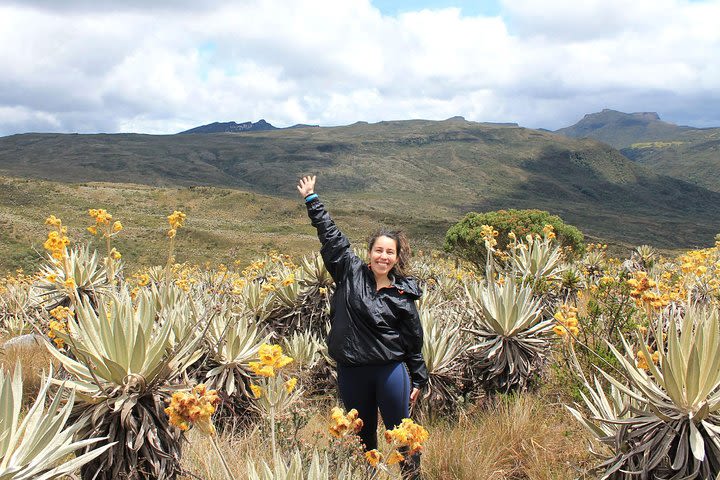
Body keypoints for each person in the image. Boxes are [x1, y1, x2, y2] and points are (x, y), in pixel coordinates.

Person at [297, 175, 428, 478]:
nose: (383, 256)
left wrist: (418, 379)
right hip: (352, 371)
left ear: (397, 258)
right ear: (369, 253)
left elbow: (413, 340)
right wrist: (312, 200)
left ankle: (411, 477)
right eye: (378, 250)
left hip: (389, 372)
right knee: (363, 435)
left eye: (389, 252)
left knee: (403, 435)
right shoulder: (349, 272)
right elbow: (331, 236)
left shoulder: (402, 295)